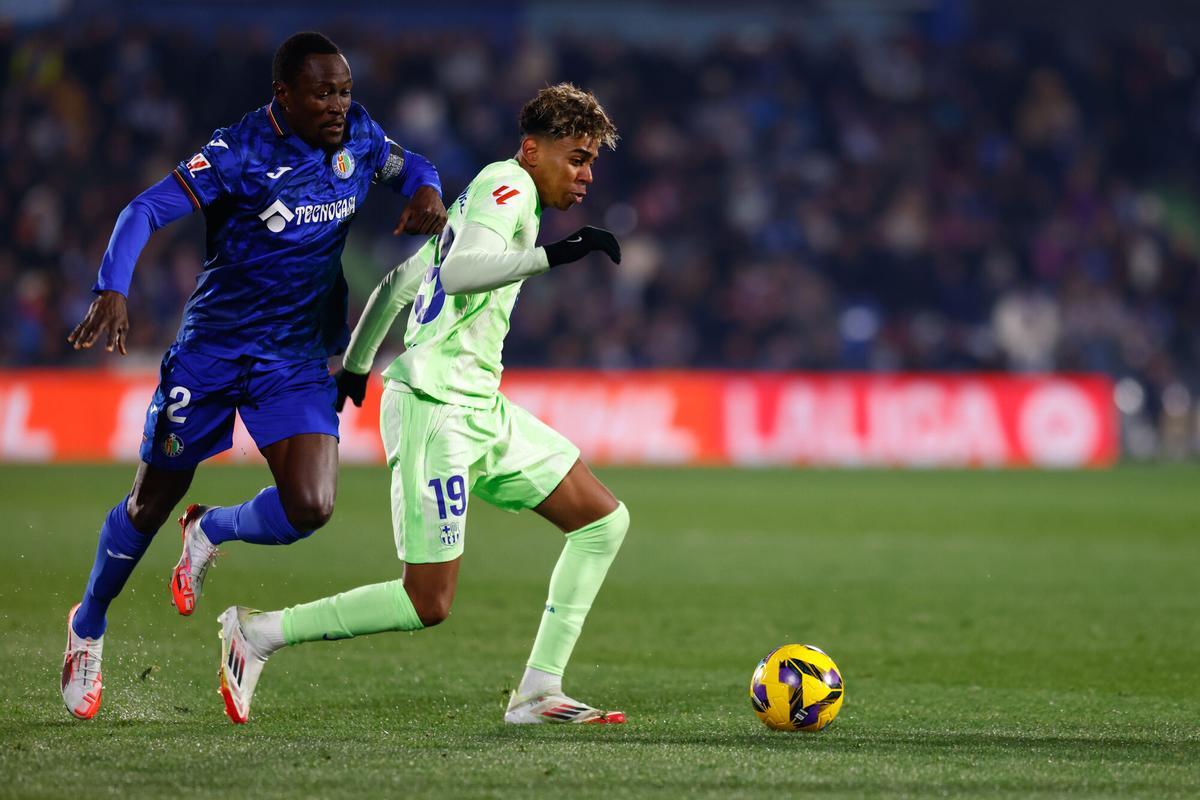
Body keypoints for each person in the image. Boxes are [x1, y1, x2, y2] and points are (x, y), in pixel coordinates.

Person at [60, 31, 447, 720]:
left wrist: (426, 189)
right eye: (323, 92)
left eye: (345, 90)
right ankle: (88, 625)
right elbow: (144, 209)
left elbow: (412, 162)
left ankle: (211, 529)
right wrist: (111, 286)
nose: (338, 104)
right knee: (147, 506)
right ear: (284, 96)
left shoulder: (358, 136)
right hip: (212, 352)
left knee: (311, 506)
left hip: (294, 359)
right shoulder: (237, 151)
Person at [214, 83, 629, 725]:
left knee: (602, 521)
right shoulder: (509, 187)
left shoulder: (476, 201)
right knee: (426, 601)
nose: (586, 174)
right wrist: (558, 255)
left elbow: (398, 283)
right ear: (531, 150)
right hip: (437, 409)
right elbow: (461, 274)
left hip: (477, 405)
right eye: (576, 157)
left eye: (591, 160)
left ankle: (540, 690)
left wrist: (356, 366)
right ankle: (259, 632)